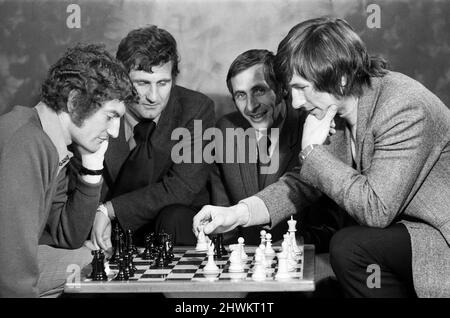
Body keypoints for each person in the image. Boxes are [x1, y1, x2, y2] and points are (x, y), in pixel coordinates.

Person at [193, 17, 450, 297]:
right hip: (401, 233)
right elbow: (303, 182)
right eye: (291, 89)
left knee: (349, 246)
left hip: (438, 234)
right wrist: (237, 213)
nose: (295, 102)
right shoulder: (335, 109)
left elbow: (376, 209)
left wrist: (312, 152)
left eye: (302, 87)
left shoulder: (403, 107)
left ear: (339, 78)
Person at [0, 44, 137, 297]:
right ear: (75, 101)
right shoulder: (27, 143)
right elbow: (10, 270)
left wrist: (93, 168)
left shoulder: (51, 142)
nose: (115, 132)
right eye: (110, 116)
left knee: (89, 257)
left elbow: (67, 236)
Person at [91, 26, 215, 248]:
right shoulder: (98, 109)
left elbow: (182, 187)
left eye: (163, 83)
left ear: (173, 79)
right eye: (142, 83)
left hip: (174, 227)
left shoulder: (196, 109)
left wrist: (109, 210)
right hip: (109, 232)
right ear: (123, 79)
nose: (153, 97)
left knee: (173, 217)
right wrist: (96, 215)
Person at [211, 49, 348, 247]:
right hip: (245, 255)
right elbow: (222, 214)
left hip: (301, 252)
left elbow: (331, 221)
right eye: (241, 95)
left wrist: (289, 247)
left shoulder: (317, 125)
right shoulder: (226, 129)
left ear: (283, 89)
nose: (251, 107)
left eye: (259, 90)